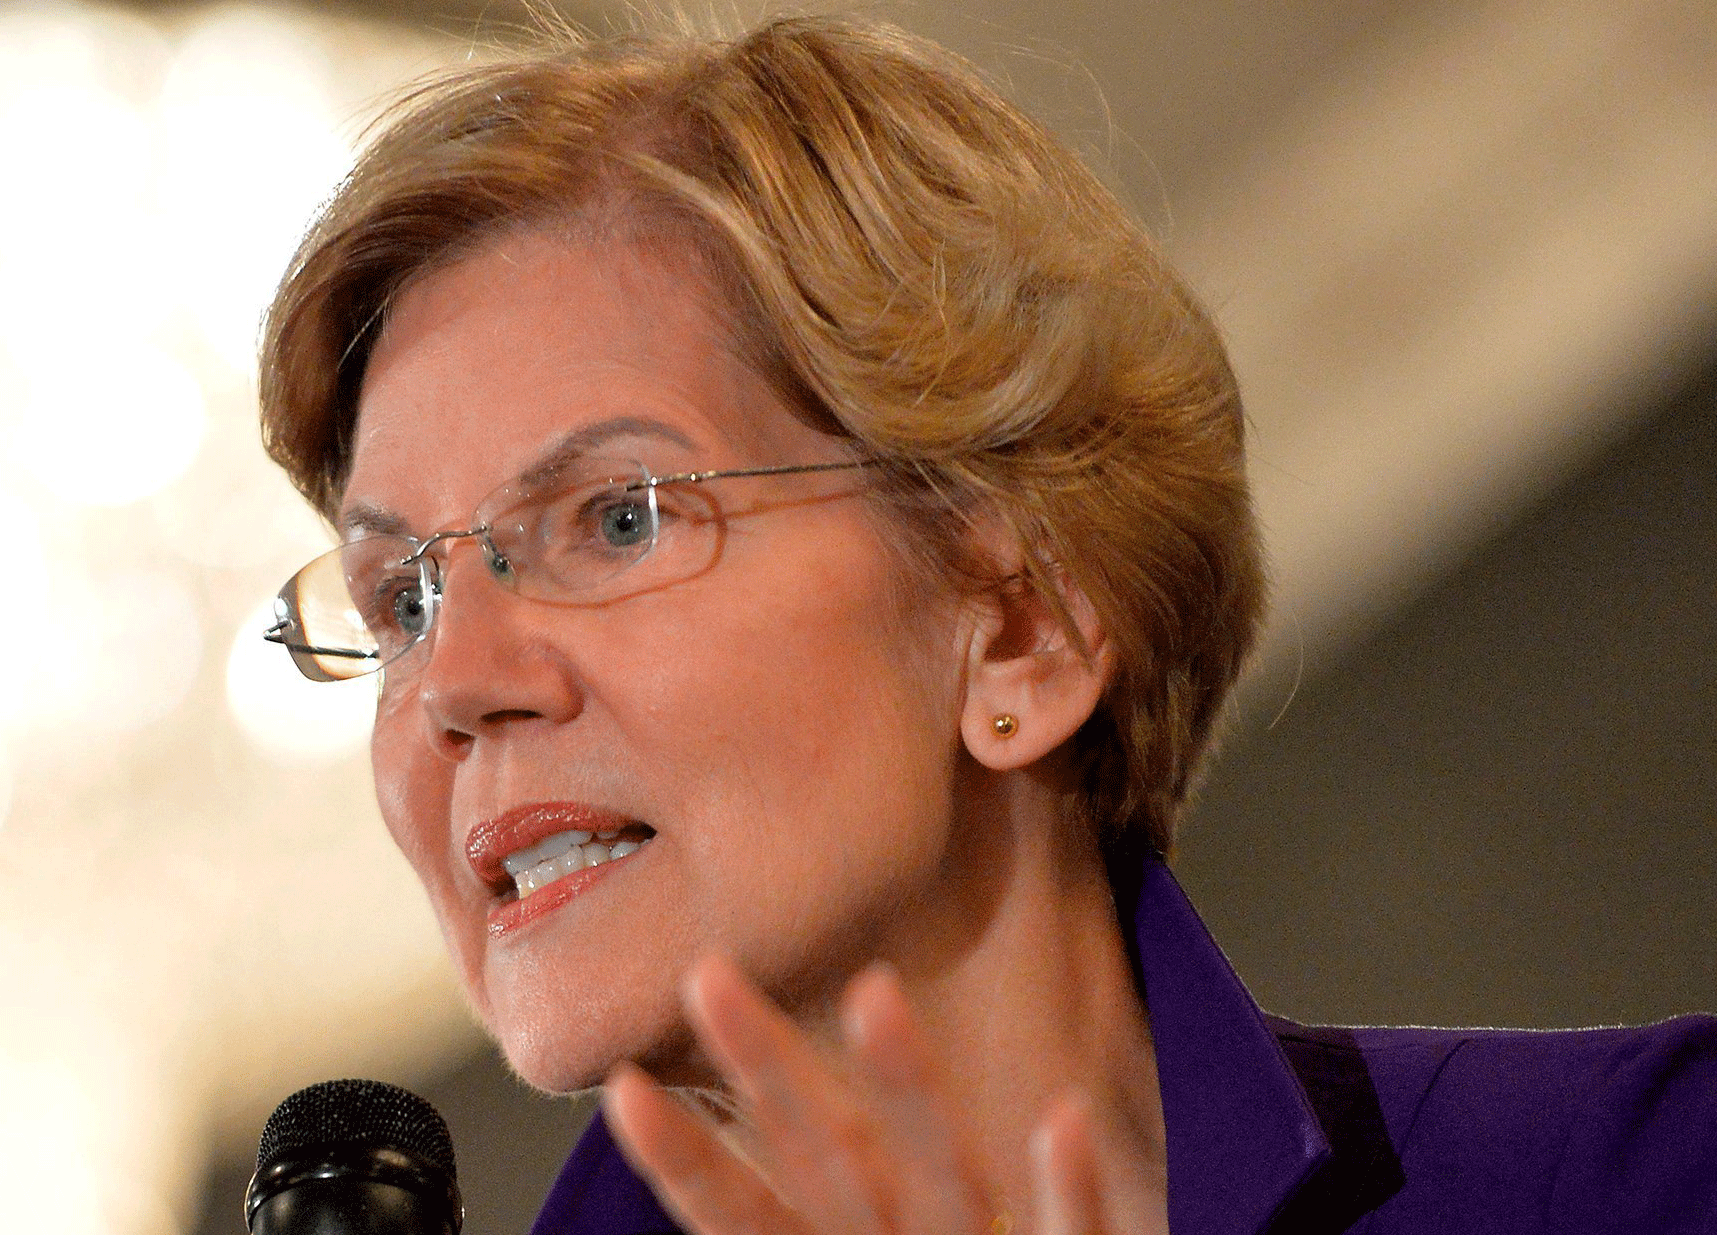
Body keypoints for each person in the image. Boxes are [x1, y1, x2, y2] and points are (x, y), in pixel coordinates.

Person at [255, 16, 1717, 1235]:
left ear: (1023, 625)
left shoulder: (1641, 1181)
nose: (454, 681)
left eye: (617, 518)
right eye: (404, 599)